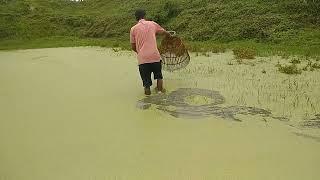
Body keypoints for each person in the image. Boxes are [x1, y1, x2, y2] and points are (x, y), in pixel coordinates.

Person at [130, 9, 171, 95]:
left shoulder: (133, 29)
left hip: (143, 60)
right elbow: (163, 32)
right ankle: (160, 93)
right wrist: (169, 34)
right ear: (145, 16)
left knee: (146, 85)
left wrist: (141, 53)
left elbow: (133, 46)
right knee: (159, 77)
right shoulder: (152, 24)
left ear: (136, 18)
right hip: (155, 57)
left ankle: (148, 99)